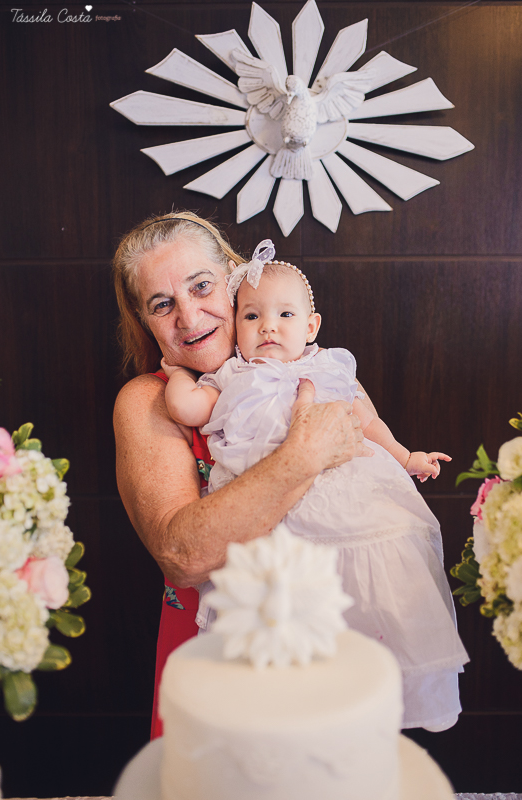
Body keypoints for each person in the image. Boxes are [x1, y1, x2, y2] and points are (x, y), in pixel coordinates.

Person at [161, 240, 469, 732]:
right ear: (235, 326)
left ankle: (370, 673)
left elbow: (366, 419)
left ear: (311, 327)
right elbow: (187, 409)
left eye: (285, 314)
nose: (268, 327)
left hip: (346, 491)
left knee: (369, 568)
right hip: (268, 506)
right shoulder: (231, 374)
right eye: (252, 316)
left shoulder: (328, 366)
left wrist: (406, 456)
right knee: (282, 604)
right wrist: (177, 375)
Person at [112, 214, 369, 739]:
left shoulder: (306, 368)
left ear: (235, 279)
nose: (188, 317)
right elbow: (182, 555)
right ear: (146, 323)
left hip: (322, 627)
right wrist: (303, 455)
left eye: (201, 286)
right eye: (163, 305)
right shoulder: (150, 402)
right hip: (213, 650)